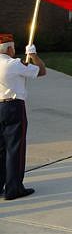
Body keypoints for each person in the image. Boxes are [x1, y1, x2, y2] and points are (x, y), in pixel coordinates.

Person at [0, 34, 46, 200]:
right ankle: (14, 188)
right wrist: (33, 55)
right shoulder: (13, 64)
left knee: (1, 149)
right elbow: (41, 71)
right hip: (13, 107)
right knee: (15, 148)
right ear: (10, 49)